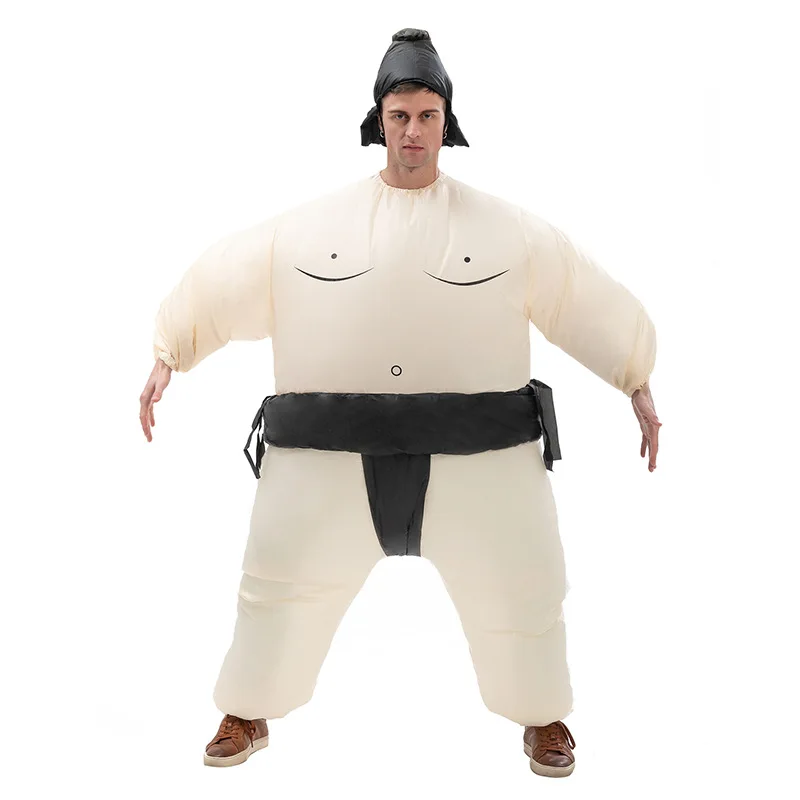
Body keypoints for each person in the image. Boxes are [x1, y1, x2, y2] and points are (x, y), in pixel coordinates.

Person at [139, 28, 661, 777]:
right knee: (277, 586)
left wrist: (636, 376)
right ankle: (246, 711)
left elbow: (583, 295)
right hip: (325, 460)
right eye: (399, 116)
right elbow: (224, 279)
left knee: (523, 587)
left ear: (447, 122)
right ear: (378, 122)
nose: (413, 131)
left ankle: (544, 718)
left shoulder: (508, 231)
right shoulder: (307, 230)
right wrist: (169, 353)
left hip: (478, 459)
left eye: (426, 116)